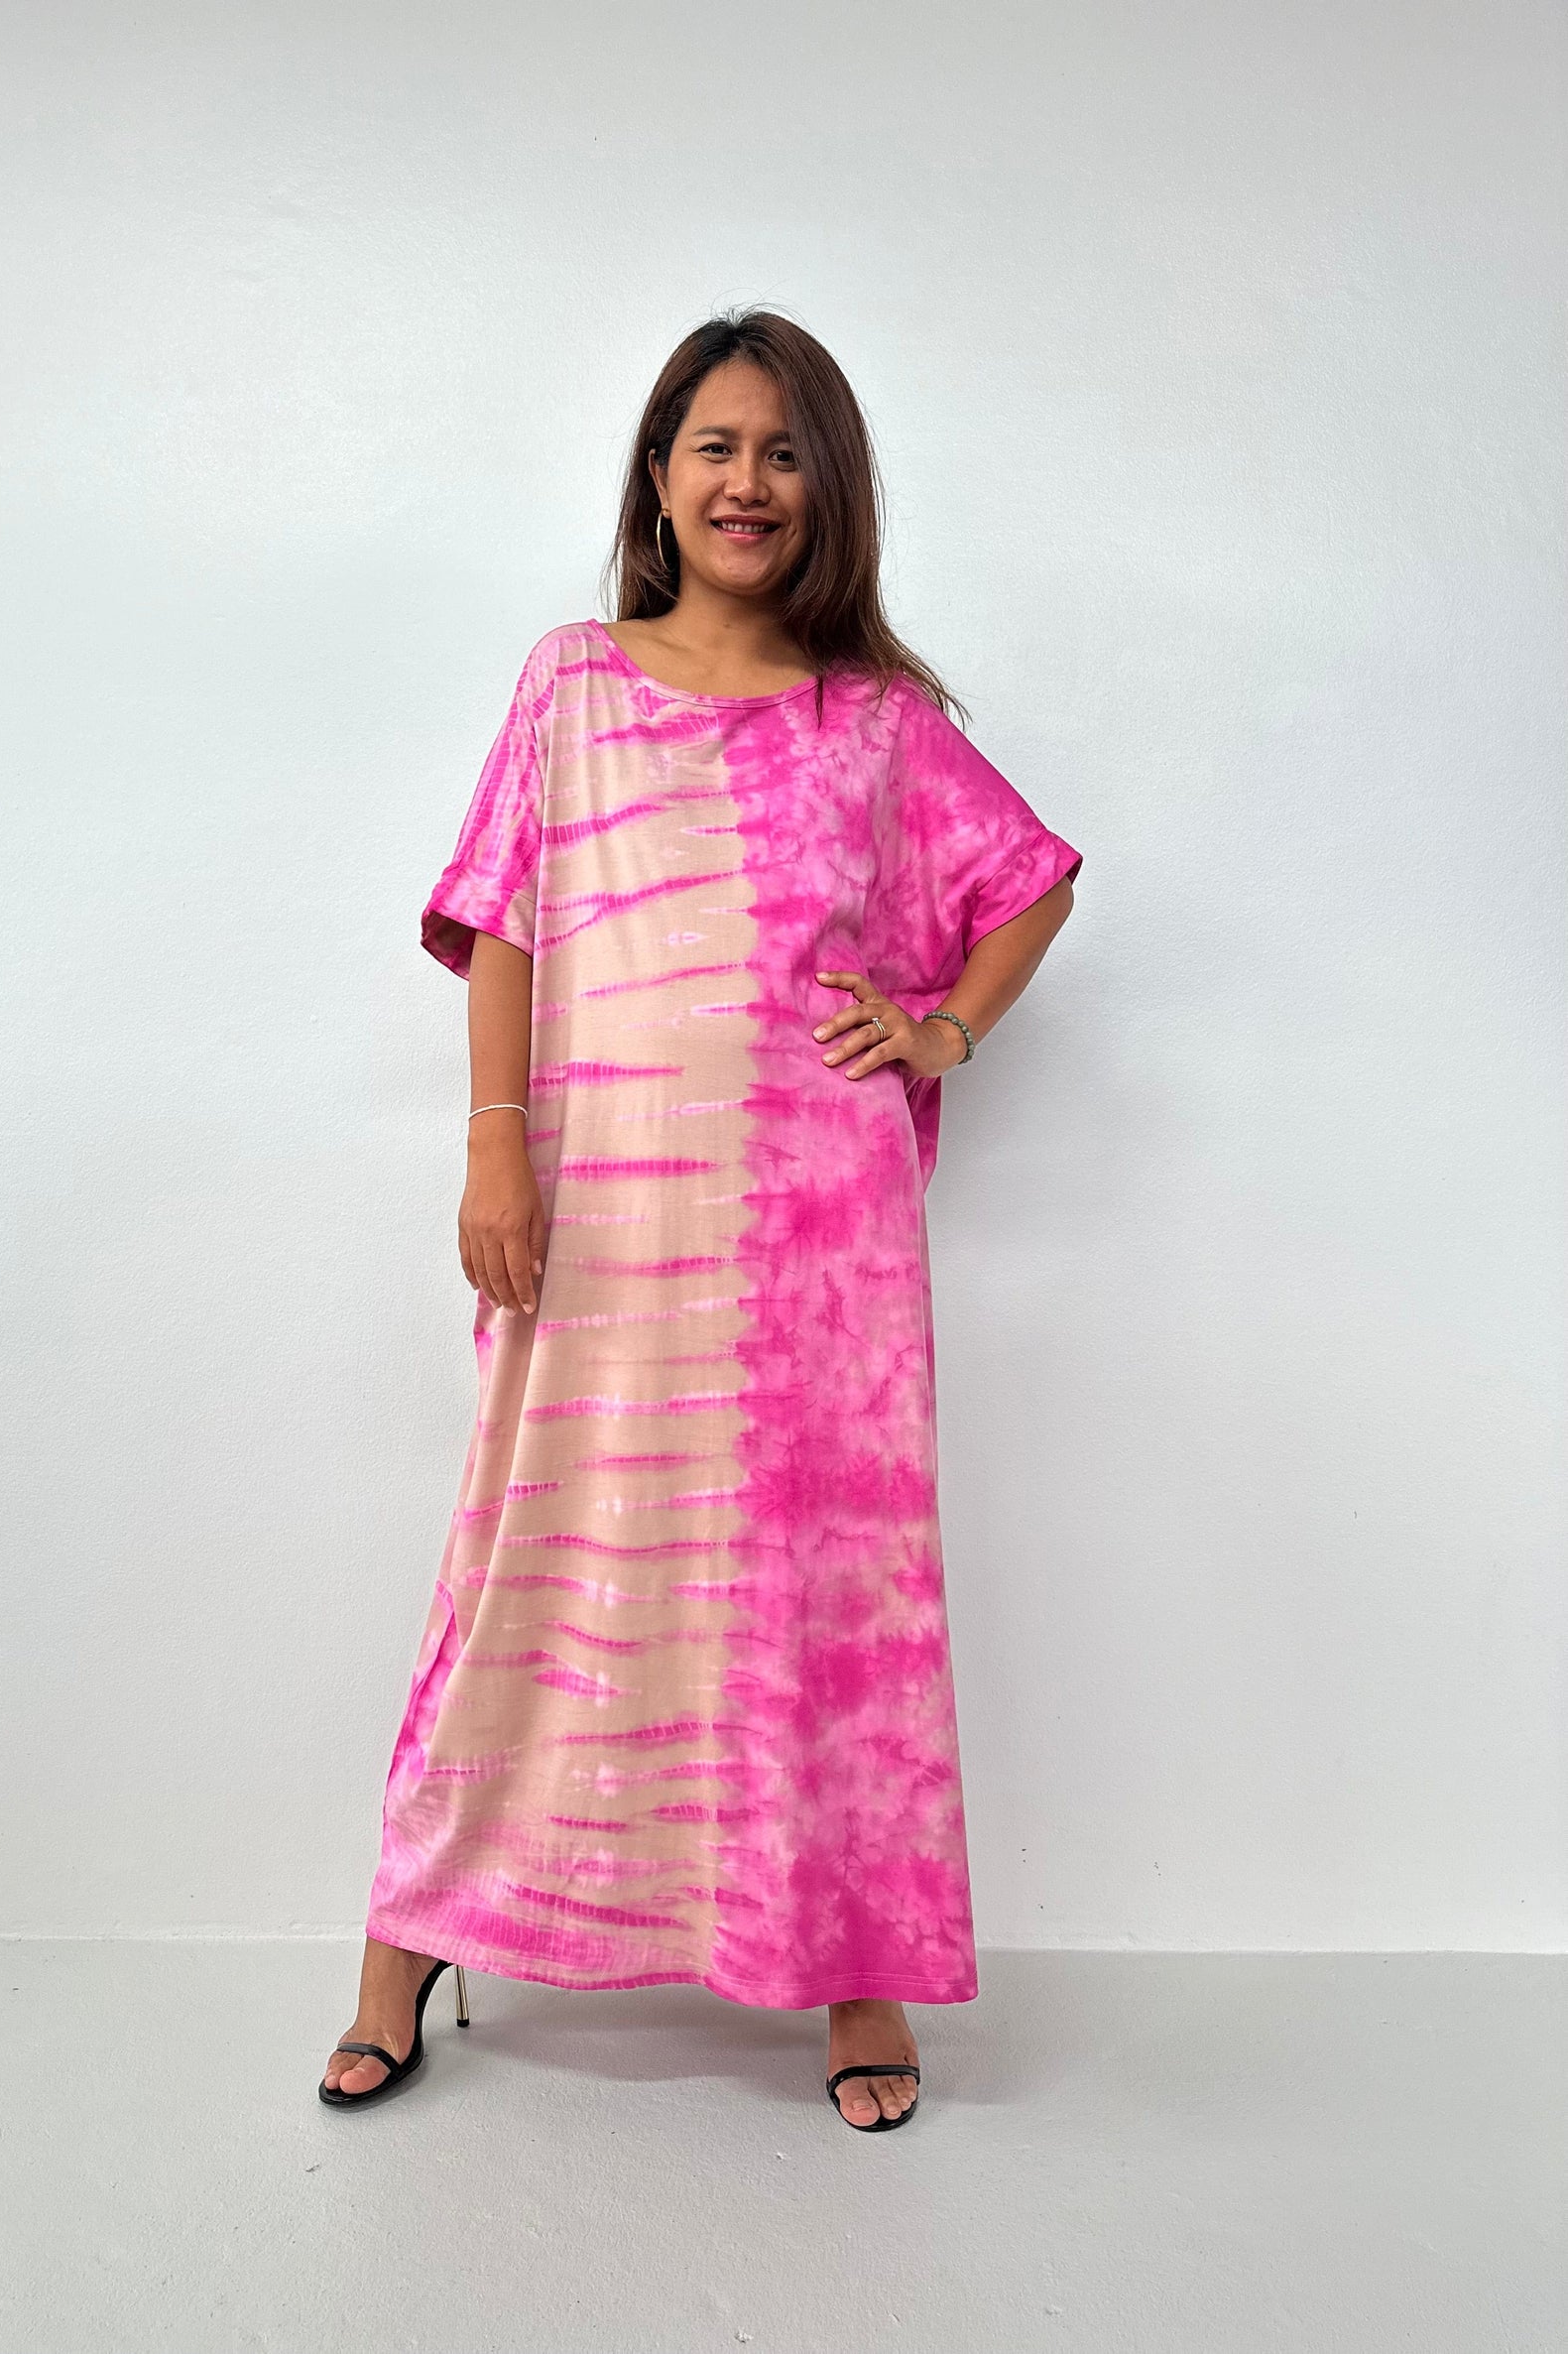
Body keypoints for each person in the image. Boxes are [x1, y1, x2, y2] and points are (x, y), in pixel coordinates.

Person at [319, 307, 1081, 2134]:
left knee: (833, 1596)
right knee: (530, 1560)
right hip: (595, 1221)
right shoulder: (572, 684)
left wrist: (945, 1025)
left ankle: (857, 1972)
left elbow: (1030, 885)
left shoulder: (873, 722)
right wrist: (496, 1149)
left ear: (831, 490)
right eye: (717, 446)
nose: (750, 482)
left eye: (786, 452)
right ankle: (408, 1949)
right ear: (659, 475)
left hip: (821, 1250)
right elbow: (506, 919)